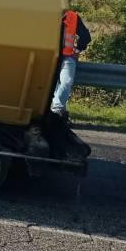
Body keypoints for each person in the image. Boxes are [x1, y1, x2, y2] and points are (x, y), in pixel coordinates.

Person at [45, 9, 92, 157]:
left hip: (67, 57)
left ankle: (57, 109)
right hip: (50, 55)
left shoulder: (73, 17)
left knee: (66, 82)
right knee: (49, 83)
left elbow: (85, 36)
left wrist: (78, 49)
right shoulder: (46, 12)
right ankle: (49, 107)